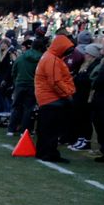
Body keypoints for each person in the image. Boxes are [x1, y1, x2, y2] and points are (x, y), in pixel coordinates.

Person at [32, 34, 76, 163]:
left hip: (47, 98)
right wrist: (67, 93)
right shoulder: (52, 60)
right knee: (51, 130)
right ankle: (49, 153)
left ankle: (43, 152)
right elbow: (55, 82)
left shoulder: (49, 57)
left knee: (45, 129)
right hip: (51, 99)